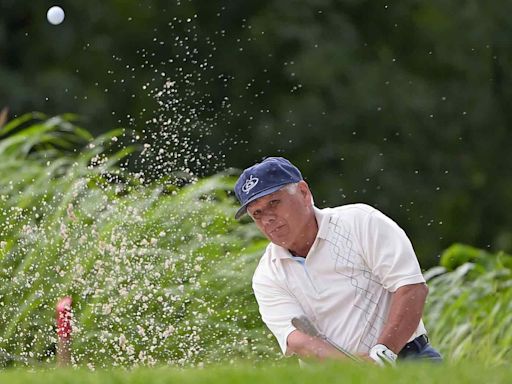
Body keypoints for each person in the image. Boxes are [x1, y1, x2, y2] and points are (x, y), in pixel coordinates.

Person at [234, 157, 442, 365]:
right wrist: (353, 370)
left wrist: (382, 356)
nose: (267, 218)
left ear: (304, 193)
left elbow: (411, 288)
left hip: (407, 358)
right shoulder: (267, 274)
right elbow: (299, 341)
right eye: (257, 213)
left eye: (274, 203)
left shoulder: (361, 222)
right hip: (333, 374)